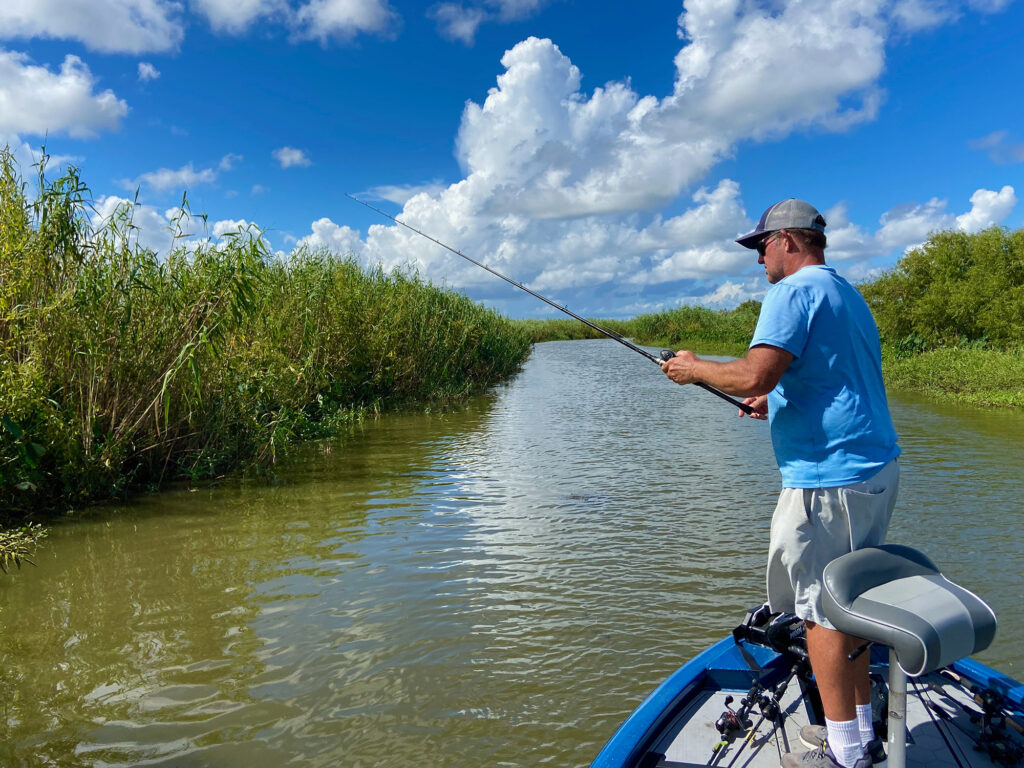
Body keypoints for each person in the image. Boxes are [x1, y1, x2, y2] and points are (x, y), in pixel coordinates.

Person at [661, 199, 901, 768]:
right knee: (852, 604)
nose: (759, 260)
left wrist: (693, 368)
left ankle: (844, 754)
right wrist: (777, 399)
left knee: (820, 613)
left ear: (788, 241)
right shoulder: (845, 292)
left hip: (828, 482)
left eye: (761, 247)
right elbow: (830, 375)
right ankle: (859, 732)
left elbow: (753, 370)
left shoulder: (791, 292)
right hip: (873, 470)